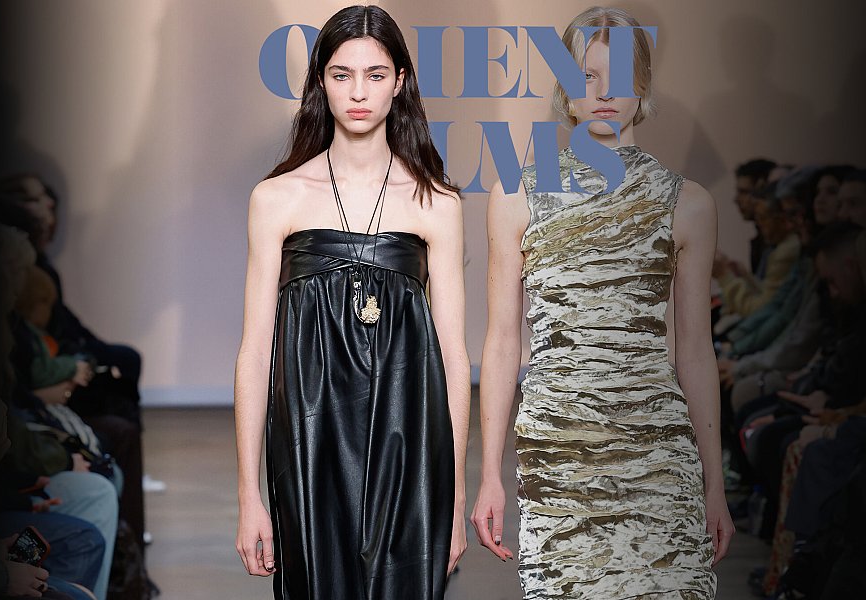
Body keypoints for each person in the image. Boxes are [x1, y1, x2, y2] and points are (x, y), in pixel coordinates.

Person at [471, 7, 733, 598]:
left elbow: (696, 350)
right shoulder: (517, 195)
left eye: (619, 76)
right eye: (587, 76)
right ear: (566, 91)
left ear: (643, 88)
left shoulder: (688, 204)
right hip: (559, 451)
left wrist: (714, 484)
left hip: (658, 449)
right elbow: (503, 340)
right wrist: (489, 475)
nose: (605, 93)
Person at [233, 5, 470, 600]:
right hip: (309, 444)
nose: (358, 92)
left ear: (400, 82)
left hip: (410, 443)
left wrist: (455, 490)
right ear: (321, 82)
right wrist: (248, 495)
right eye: (342, 75)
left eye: (375, 74)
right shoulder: (277, 199)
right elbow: (255, 352)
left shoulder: (437, 203)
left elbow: (453, 357)